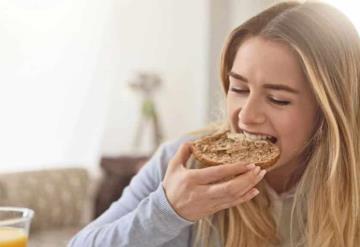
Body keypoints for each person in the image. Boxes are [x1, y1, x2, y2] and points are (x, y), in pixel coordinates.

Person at [69, 1, 360, 246]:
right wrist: (168, 210)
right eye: (239, 89)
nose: (246, 116)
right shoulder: (182, 163)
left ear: (329, 111)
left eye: (277, 99)